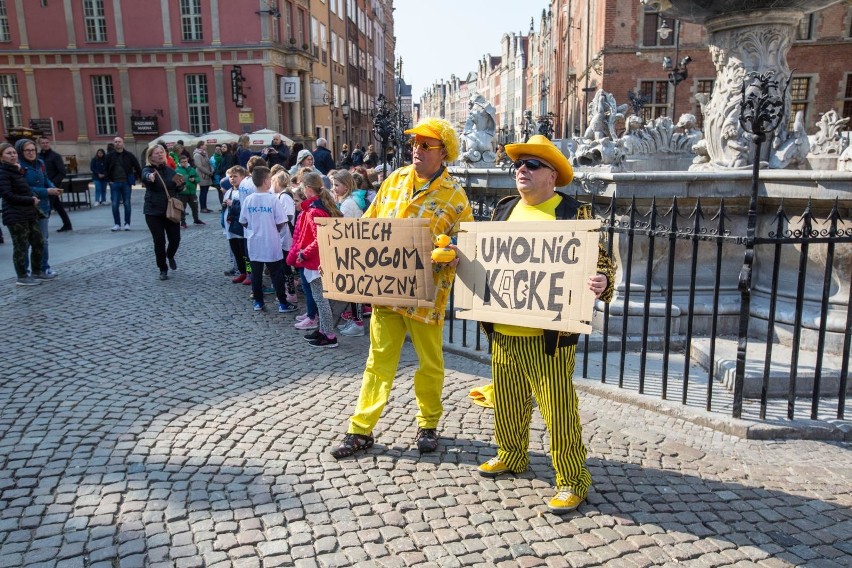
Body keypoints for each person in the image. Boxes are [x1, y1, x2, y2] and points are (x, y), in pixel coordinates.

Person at [475, 134, 615, 514]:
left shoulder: (573, 213)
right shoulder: (503, 209)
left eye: (532, 164)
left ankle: (573, 480)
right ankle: (511, 453)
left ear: (553, 175)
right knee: (507, 401)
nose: (522, 169)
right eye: (518, 164)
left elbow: (602, 263)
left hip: (550, 337)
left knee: (558, 411)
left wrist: (602, 282)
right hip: (504, 329)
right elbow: (487, 260)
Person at [330, 117, 473, 458]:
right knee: (377, 361)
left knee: (430, 363)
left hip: (427, 295)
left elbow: (469, 243)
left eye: (426, 145)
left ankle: (428, 424)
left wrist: (454, 252)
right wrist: (344, 252)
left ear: (444, 153)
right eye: (414, 144)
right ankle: (361, 430)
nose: (417, 150)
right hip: (387, 291)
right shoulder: (394, 180)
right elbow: (369, 226)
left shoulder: (455, 196)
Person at [286, 171, 342, 347]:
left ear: (308, 189)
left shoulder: (314, 211)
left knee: (321, 299)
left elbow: (320, 239)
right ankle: (323, 330)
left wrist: (304, 254)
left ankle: (330, 336)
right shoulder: (318, 207)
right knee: (320, 299)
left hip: (316, 262)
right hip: (317, 260)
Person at [238, 166, 298, 314]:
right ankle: (283, 303)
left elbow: (243, 220)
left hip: (254, 242)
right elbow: (281, 221)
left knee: (256, 274)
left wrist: (253, 227)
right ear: (266, 181)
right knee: (276, 273)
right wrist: (272, 229)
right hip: (271, 242)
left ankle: (258, 302)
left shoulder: (248, 200)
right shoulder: (273, 199)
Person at [0, 142, 53, 286]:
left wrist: (32, 196)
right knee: (21, 246)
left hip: (28, 213)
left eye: (14, 153)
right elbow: (7, 194)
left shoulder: (16, 170)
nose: (12, 156)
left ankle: (37, 271)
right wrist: (29, 199)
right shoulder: (3, 172)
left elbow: (24, 188)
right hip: (15, 215)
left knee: (38, 242)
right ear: (1, 157)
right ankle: (22, 276)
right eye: (8, 153)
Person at [17, 139, 60, 278]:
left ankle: (43, 268)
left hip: (43, 207)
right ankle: (26, 271)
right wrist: (46, 191)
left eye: (33, 150)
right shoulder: (19, 167)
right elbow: (24, 188)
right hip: (27, 208)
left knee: (43, 239)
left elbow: (46, 179)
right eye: (27, 150)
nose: (31, 153)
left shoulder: (40, 163)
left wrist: (52, 186)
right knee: (27, 241)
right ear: (21, 152)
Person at [330, 169, 366, 337]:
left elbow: (343, 228)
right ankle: (355, 319)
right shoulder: (350, 201)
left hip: (352, 249)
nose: (334, 188)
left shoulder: (349, 204)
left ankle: (358, 323)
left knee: (355, 289)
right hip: (354, 248)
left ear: (346, 185)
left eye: (337, 185)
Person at [141, 144, 183, 281]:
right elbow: (145, 177)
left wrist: (181, 184)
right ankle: (162, 268)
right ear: (150, 156)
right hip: (153, 211)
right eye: (156, 153)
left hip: (170, 211)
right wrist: (149, 177)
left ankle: (170, 255)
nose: (160, 155)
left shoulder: (171, 171)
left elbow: (178, 190)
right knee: (159, 241)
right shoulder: (147, 170)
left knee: (175, 239)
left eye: (162, 152)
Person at [104, 136, 142, 232]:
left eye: (119, 141)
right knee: (114, 204)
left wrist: (142, 178)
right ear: (113, 144)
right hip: (114, 183)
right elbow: (105, 169)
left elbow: (137, 166)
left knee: (127, 203)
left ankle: (127, 223)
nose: (117, 143)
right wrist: (109, 180)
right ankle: (117, 224)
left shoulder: (129, 155)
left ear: (123, 143)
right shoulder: (109, 156)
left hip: (126, 183)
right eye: (115, 142)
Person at [37, 137, 72, 232]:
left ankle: (42, 228)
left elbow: (62, 172)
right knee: (57, 205)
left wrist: (53, 184)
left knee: (48, 207)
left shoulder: (55, 156)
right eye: (43, 143)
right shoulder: (38, 156)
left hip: (53, 186)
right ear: (40, 144)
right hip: (42, 186)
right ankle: (67, 224)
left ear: (50, 143)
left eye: (47, 142)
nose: (45, 144)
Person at [175, 154, 204, 228]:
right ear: (180, 163)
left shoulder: (192, 169)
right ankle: (183, 222)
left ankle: (196, 219)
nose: (184, 163)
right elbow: (176, 182)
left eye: (185, 161)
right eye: (182, 162)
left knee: (195, 207)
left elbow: (198, 179)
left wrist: (194, 180)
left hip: (192, 192)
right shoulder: (177, 170)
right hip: (183, 193)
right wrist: (184, 184)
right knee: (182, 208)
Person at [193, 141, 215, 213]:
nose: (206, 146)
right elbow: (199, 166)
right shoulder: (197, 155)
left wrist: (211, 169)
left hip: (207, 175)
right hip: (202, 175)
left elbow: (208, 163)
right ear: (201, 146)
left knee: (205, 191)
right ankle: (203, 208)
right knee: (203, 192)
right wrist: (208, 172)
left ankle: (205, 207)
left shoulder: (204, 153)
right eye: (205, 145)